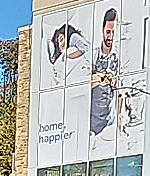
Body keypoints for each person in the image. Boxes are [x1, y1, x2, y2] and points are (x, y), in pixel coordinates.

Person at [90, 8, 122, 138]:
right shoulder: (94, 54)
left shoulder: (117, 56)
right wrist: (101, 78)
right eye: (108, 32)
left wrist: (119, 116)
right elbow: (82, 83)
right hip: (94, 123)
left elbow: (120, 91)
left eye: (113, 32)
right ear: (102, 30)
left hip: (110, 121)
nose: (110, 37)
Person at [47, 21, 88, 85]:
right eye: (58, 43)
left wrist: (68, 56)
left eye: (61, 39)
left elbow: (85, 48)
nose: (61, 44)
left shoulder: (73, 37)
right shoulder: (61, 53)